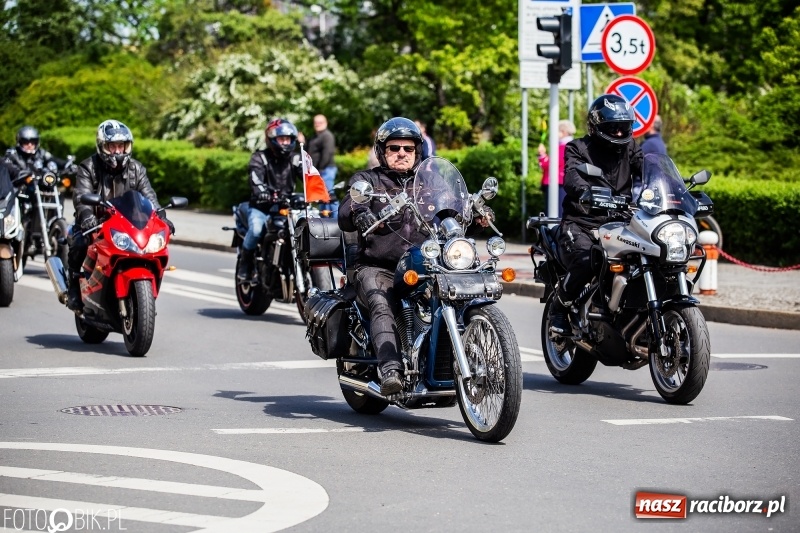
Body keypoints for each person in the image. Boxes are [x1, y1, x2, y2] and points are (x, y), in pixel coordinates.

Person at [339, 117, 490, 395]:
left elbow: (451, 209)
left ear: (417, 151)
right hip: (378, 265)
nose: (401, 154)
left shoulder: (430, 183)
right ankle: (391, 370)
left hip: (426, 262)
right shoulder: (368, 181)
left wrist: (473, 212)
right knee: (381, 302)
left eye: (408, 149)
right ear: (382, 151)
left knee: (464, 290)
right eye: (394, 148)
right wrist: (361, 214)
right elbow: (349, 208)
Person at [548, 95, 643, 335]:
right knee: (586, 259)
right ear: (596, 126)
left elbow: (647, 167)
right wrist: (585, 192)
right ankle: (559, 308)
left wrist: (675, 187)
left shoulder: (630, 147)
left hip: (620, 222)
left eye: (624, 127)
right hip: (582, 222)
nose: (620, 133)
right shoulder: (578, 148)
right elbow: (571, 177)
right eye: (613, 128)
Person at [67, 120, 173, 310]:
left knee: (151, 249)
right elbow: (81, 197)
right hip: (96, 222)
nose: (117, 151)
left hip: (126, 224)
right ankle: (73, 285)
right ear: (102, 147)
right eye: (112, 146)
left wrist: (162, 217)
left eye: (121, 146)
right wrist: (87, 218)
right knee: (80, 243)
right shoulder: (88, 167)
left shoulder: (136, 169)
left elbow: (149, 195)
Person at [237, 118, 307, 281]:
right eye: (281, 139)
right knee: (255, 230)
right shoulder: (259, 158)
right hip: (262, 207)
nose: (285, 143)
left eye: (288, 139)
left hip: (286, 208)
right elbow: (255, 179)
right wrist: (262, 192)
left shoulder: (296, 159)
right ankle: (245, 264)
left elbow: (308, 177)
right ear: (272, 139)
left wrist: (323, 192)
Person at [537, 119, 575, 217]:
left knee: (555, 214)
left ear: (563, 132)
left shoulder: (565, 146)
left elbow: (552, 164)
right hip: (558, 183)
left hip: (557, 184)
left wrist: (542, 155)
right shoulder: (567, 146)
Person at [3, 126, 73, 179]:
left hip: (38, 183)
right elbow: (6, 167)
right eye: (25, 141)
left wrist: (67, 165)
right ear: (20, 142)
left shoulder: (40, 153)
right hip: (19, 188)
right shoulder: (13, 154)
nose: (29, 145)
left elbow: (53, 159)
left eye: (33, 141)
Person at [307, 114, 338, 218]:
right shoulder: (315, 137)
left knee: (329, 195)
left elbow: (327, 153)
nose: (317, 124)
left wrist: (319, 169)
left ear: (326, 123)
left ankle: (337, 219)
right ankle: (325, 219)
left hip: (326, 169)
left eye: (320, 122)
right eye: (316, 122)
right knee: (322, 196)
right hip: (320, 170)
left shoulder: (327, 136)